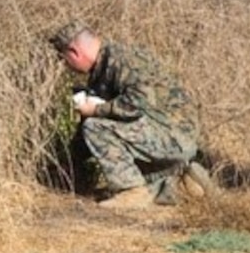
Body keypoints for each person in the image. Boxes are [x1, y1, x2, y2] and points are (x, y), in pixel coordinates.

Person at [49, 21, 210, 209]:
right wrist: (65, 167)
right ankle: (182, 183)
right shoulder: (110, 63)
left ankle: (132, 191)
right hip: (169, 136)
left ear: (75, 51)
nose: (66, 65)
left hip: (172, 136)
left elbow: (136, 103)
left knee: (95, 127)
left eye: (64, 58)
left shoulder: (121, 62)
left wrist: (95, 110)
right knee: (106, 136)